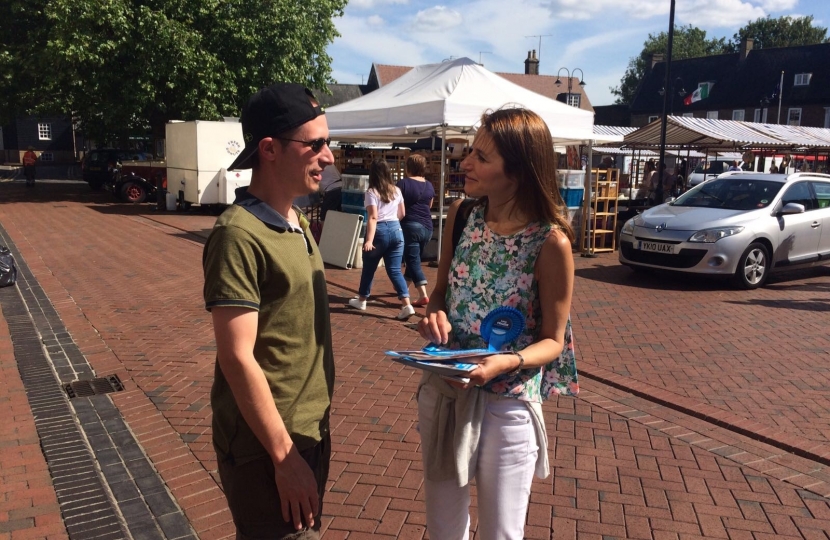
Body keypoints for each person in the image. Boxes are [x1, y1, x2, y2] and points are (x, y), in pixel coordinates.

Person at [417, 108, 576, 540]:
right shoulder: (462, 216)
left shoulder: (549, 242)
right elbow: (440, 294)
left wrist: (505, 363)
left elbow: (553, 342)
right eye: (470, 151)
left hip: (508, 404)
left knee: (501, 534)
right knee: (444, 530)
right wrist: (433, 315)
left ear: (519, 171)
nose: (465, 162)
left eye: (481, 157)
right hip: (448, 392)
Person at [202, 83, 335, 539]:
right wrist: (284, 458)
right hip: (268, 447)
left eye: (328, 142)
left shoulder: (296, 223)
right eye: (315, 143)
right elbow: (236, 357)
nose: (329, 155)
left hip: (306, 431)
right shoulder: (239, 234)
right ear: (269, 149)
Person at [347, 159, 415, 319]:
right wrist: (393, 222)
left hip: (380, 231)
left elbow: (373, 217)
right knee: (395, 270)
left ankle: (362, 299)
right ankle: (407, 304)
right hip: (396, 230)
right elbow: (402, 214)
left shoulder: (371, 192)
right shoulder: (397, 190)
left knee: (369, 268)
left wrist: (369, 240)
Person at [397, 154, 435, 307]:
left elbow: (396, 204)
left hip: (410, 226)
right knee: (414, 259)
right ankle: (403, 288)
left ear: (408, 167)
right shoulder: (429, 185)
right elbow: (430, 205)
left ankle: (423, 294)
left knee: (413, 261)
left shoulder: (403, 183)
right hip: (428, 227)